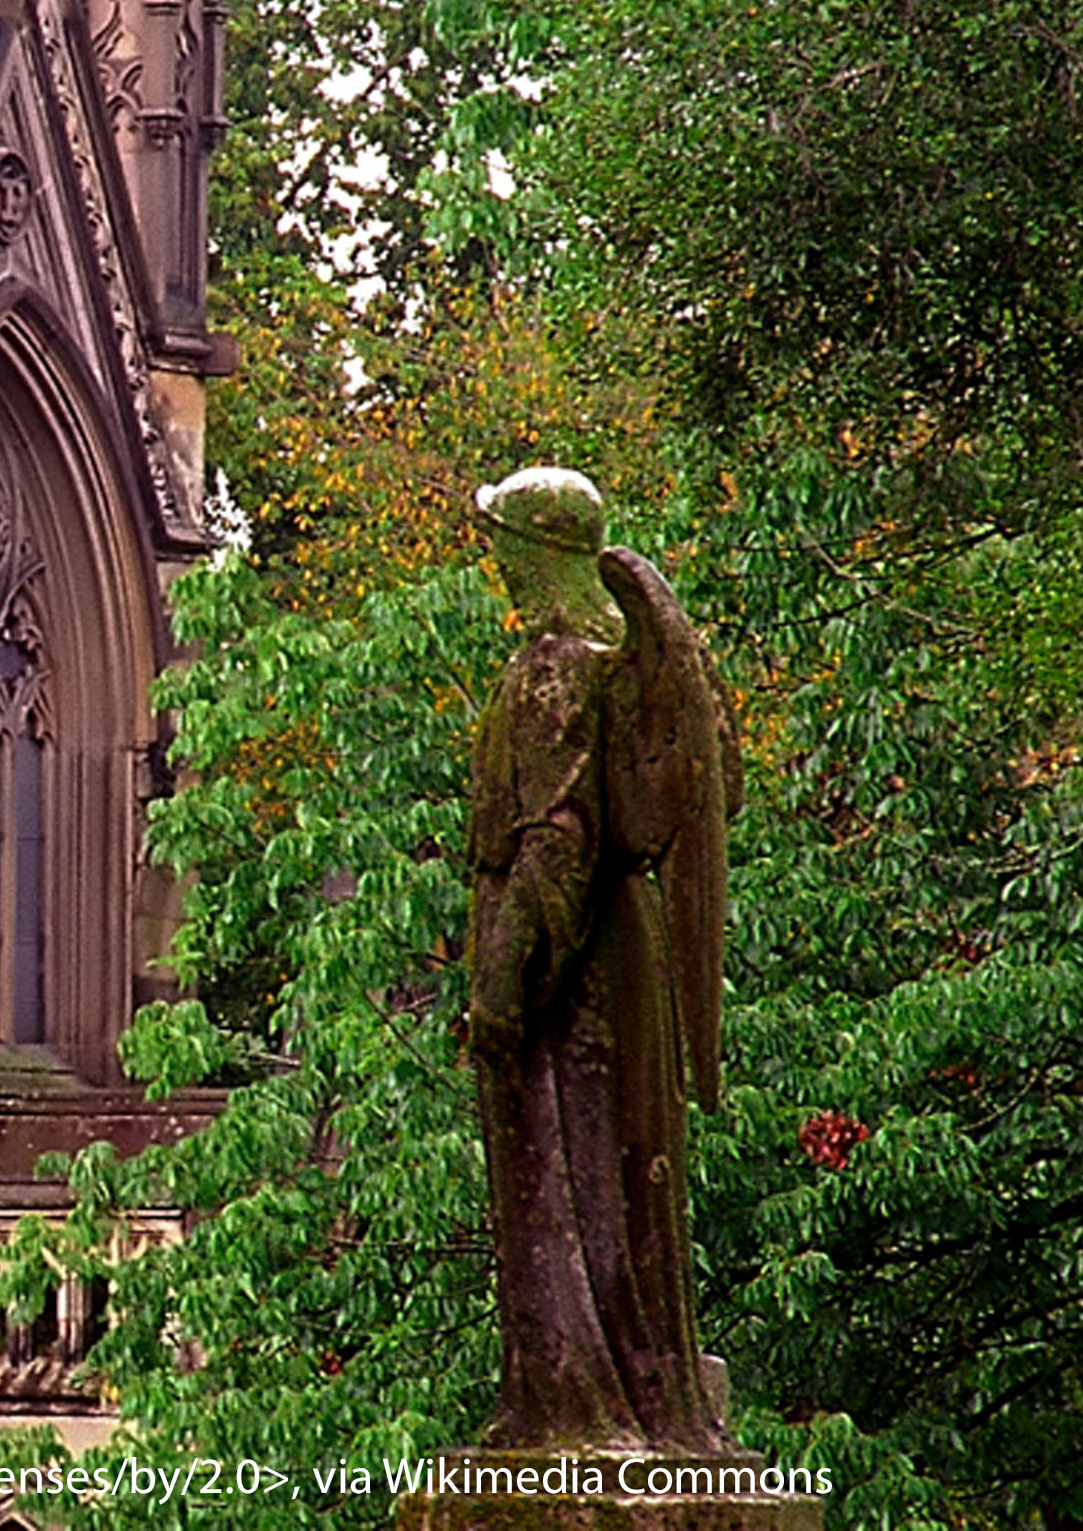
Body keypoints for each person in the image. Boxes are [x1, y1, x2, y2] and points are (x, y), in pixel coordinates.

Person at [465, 467, 736, 1454]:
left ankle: (579, 1402)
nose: (493, 556)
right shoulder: (598, 662)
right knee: (602, 1173)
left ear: (537, 549)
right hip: (612, 950)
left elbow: (556, 838)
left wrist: (500, 983)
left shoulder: (551, 666)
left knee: (568, 1171)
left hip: (566, 970)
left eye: (503, 539)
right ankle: (572, 1393)